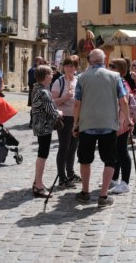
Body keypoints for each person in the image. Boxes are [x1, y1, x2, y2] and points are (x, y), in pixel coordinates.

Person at [72, 49, 130, 208]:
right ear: (104, 60)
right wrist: (128, 120)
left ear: (90, 61)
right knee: (110, 160)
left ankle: (85, 192)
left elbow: (77, 103)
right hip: (108, 124)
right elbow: (123, 101)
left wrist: (75, 123)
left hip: (87, 124)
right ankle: (103, 195)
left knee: (85, 159)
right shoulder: (115, 76)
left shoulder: (82, 77)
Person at [30, 65, 61, 198]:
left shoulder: (37, 88)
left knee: (41, 154)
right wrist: (59, 112)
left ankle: (38, 181)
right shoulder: (44, 92)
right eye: (50, 73)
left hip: (39, 125)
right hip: (44, 127)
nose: (52, 75)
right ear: (44, 76)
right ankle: (38, 185)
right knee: (43, 155)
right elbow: (52, 112)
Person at [52, 56, 80, 188]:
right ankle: (62, 178)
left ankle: (71, 173)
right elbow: (53, 101)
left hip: (76, 118)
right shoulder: (59, 82)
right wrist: (65, 97)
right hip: (64, 118)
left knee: (73, 147)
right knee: (64, 147)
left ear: (76, 68)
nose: (69, 68)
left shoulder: (78, 80)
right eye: (67, 65)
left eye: (72, 66)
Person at [109, 58, 135, 194]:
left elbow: (124, 103)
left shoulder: (122, 82)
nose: (109, 68)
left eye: (112, 66)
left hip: (122, 121)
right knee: (116, 151)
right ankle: (114, 178)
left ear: (119, 69)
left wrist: (124, 121)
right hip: (117, 120)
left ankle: (125, 182)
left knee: (122, 151)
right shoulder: (116, 81)